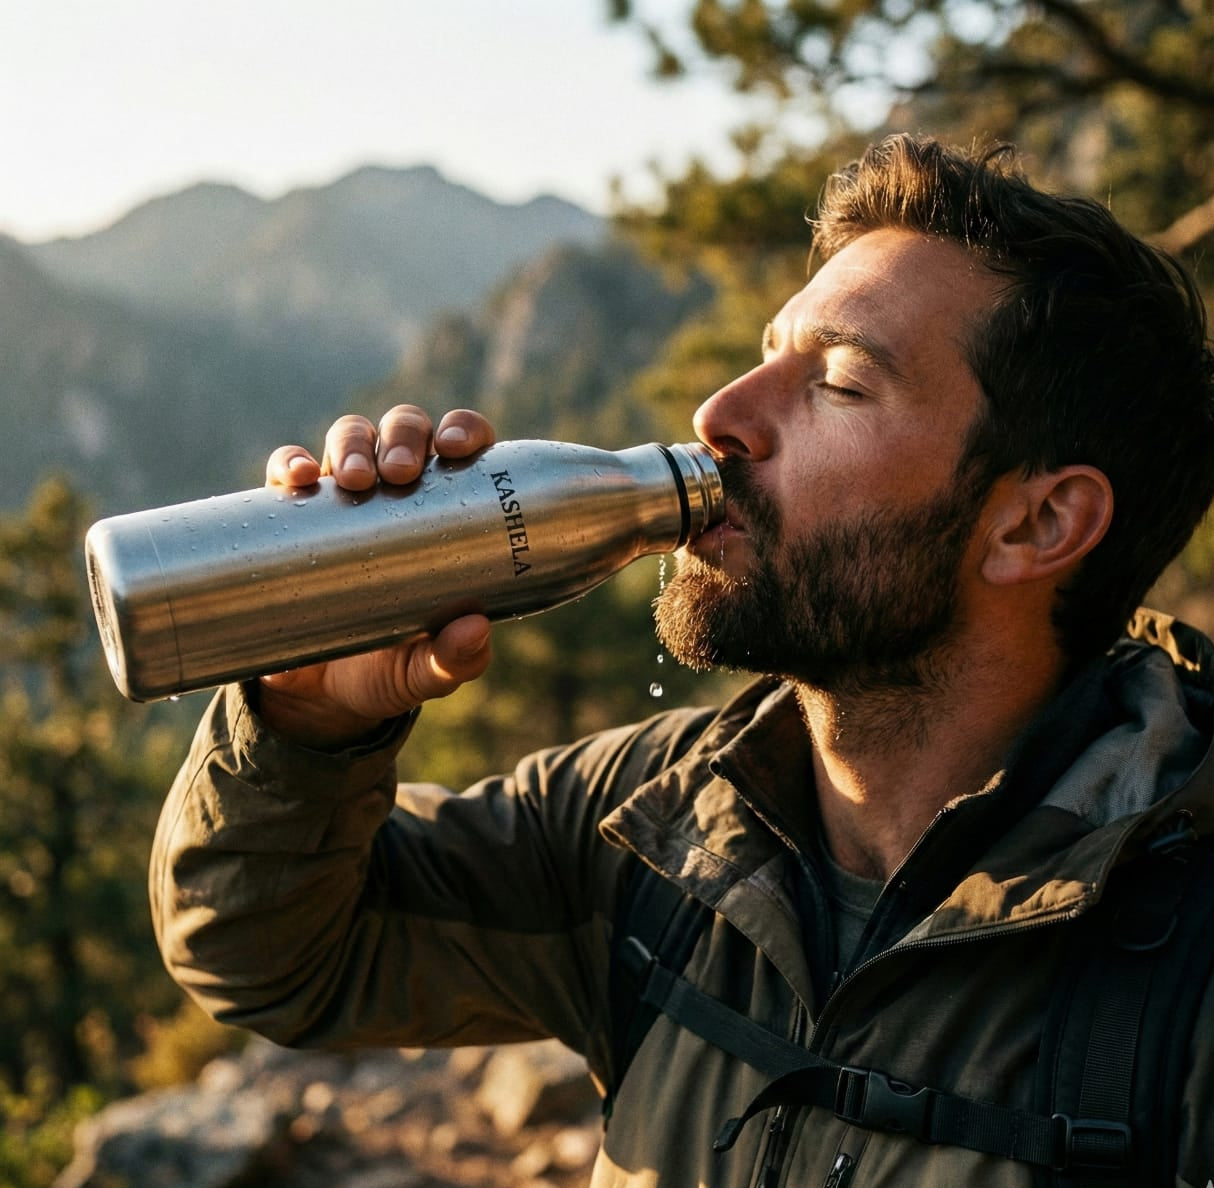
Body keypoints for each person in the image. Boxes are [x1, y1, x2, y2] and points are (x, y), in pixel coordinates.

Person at [149, 134, 1214, 1186]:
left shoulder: (1185, 955)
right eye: (765, 353)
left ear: (1036, 524)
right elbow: (274, 959)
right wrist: (305, 723)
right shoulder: (652, 823)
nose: (720, 415)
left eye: (838, 384)